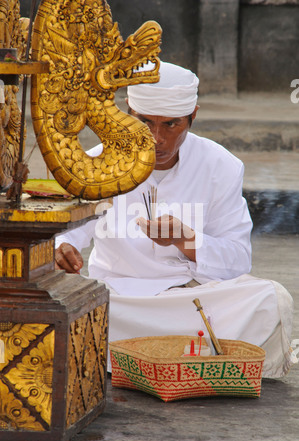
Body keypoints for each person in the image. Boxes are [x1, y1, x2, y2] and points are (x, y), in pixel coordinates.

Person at [55, 61, 294, 378]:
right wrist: (60, 248)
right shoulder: (99, 163)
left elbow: (238, 261)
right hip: (117, 302)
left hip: (189, 301)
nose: (157, 138)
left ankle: (126, 358)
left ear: (192, 116)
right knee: (58, 304)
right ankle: (190, 361)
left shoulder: (220, 166)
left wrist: (187, 240)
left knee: (270, 300)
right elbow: (64, 233)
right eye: (145, 122)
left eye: (171, 125)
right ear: (128, 111)